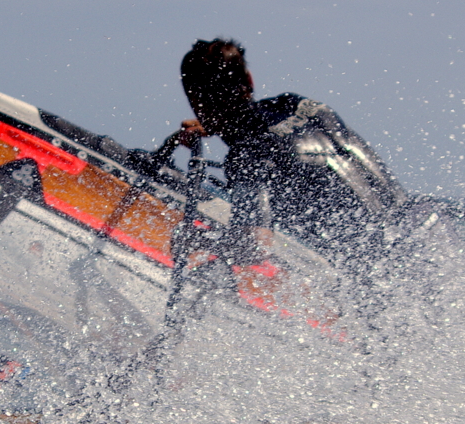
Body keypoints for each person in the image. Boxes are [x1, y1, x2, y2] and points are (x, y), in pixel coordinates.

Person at [169, 38, 418, 269]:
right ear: (250, 80)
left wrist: (199, 240)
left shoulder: (249, 153)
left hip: (375, 274)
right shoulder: (297, 104)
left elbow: (255, 247)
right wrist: (215, 124)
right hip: (416, 239)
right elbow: (276, 132)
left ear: (196, 101)